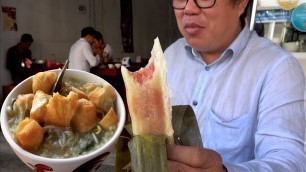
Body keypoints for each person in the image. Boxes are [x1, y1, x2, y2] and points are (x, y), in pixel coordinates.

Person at [165, 0, 305, 171]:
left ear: (240, 4)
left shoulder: (278, 67)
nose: (189, 9)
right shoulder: (169, 56)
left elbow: (289, 161)